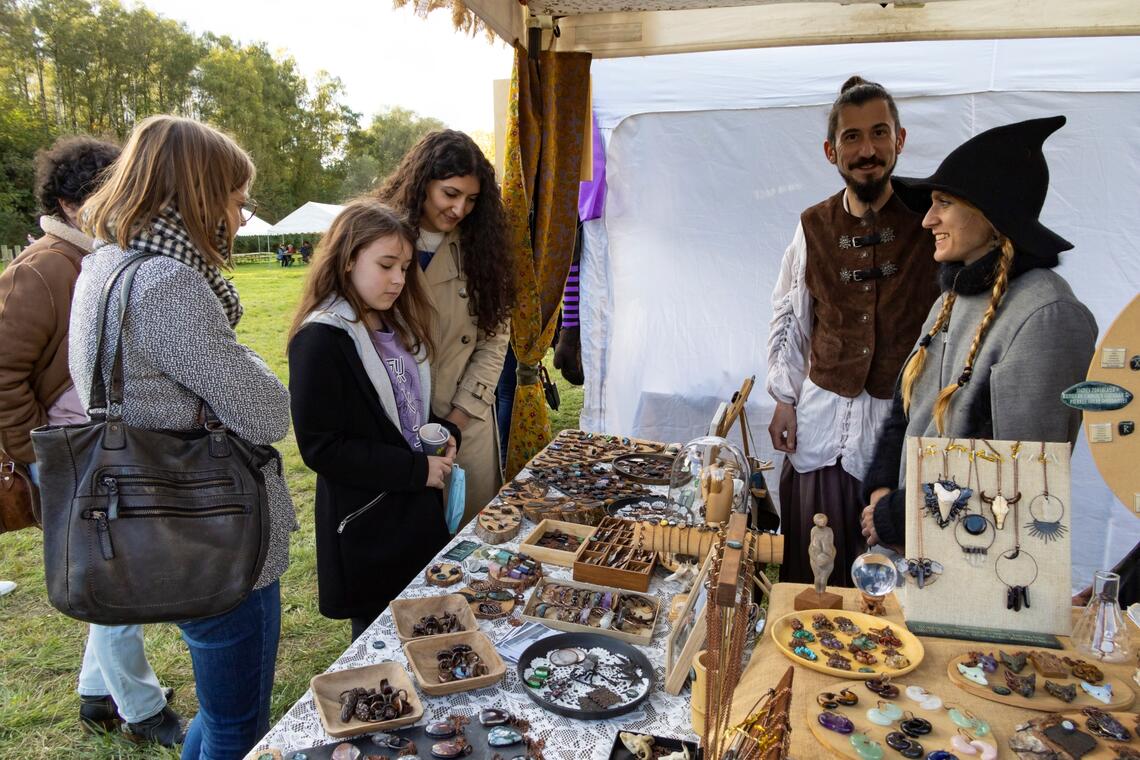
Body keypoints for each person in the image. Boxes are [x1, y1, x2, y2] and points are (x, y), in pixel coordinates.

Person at [72, 114, 295, 759]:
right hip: (212, 532)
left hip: (156, 517)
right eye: (234, 196)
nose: (240, 215)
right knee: (237, 720)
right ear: (198, 193)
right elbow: (268, 412)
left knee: (224, 712)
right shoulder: (170, 283)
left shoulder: (106, 263)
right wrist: (242, 354)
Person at [0, 135, 184, 745]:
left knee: (107, 569)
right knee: (118, 579)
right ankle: (143, 708)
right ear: (76, 202)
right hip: (71, 455)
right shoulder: (44, 267)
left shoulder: (94, 258)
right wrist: (40, 454)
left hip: (99, 450)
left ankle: (96, 695)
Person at [860, 116, 1097, 551]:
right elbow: (905, 410)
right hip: (918, 551)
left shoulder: (1048, 315)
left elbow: (1015, 471)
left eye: (943, 202)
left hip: (986, 568)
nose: (928, 220)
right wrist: (881, 494)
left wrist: (899, 516)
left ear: (992, 212)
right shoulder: (950, 299)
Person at [766, 77, 940, 587]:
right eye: (852, 138)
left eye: (879, 134)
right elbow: (790, 316)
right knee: (813, 569)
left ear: (900, 140)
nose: (867, 150)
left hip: (893, 432)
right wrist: (784, 397)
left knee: (885, 580)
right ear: (831, 150)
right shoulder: (813, 225)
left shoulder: (929, 221)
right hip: (820, 426)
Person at [288, 199, 460, 640]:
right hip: (368, 522)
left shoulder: (395, 323)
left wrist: (443, 433)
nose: (399, 279)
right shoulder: (322, 338)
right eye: (386, 265)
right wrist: (415, 468)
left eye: (405, 267)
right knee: (381, 639)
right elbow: (321, 446)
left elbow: (405, 407)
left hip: (414, 511)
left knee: (429, 627)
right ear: (348, 260)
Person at [377, 130, 516, 522]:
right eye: (450, 194)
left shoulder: (481, 248)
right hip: (394, 424)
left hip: (465, 419)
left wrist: (456, 419)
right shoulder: (378, 237)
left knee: (469, 542)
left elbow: (494, 340)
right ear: (422, 184)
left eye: (471, 199)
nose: (459, 209)